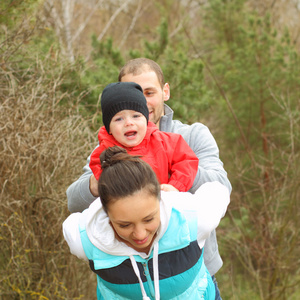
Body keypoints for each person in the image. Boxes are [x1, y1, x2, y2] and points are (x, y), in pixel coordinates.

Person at [66, 58, 232, 299]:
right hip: (130, 277)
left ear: (165, 92)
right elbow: (74, 201)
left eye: (149, 92)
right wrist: (106, 180)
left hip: (194, 269)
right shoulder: (108, 148)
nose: (142, 101)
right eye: (133, 92)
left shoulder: (191, 135)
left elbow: (221, 186)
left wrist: (171, 178)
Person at [63, 146, 230, 300]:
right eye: (124, 225)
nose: (140, 234)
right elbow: (71, 224)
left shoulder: (193, 218)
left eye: (149, 219)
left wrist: (174, 198)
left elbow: (219, 191)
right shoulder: (85, 239)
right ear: (106, 215)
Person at [89, 81, 199, 192]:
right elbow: (99, 173)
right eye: (119, 119)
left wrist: (175, 185)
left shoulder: (164, 141)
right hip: (123, 204)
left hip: (161, 200)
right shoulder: (106, 150)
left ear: (146, 119)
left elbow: (186, 161)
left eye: (136, 116)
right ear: (109, 129)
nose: (129, 123)